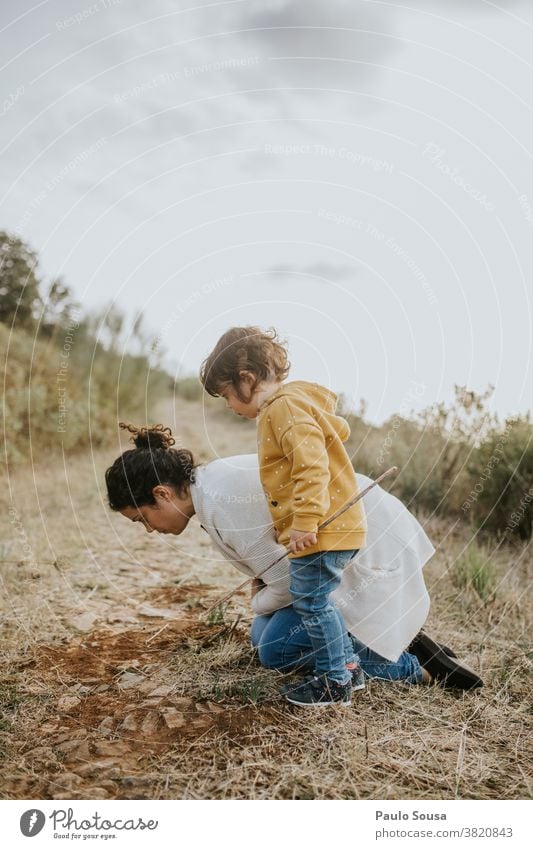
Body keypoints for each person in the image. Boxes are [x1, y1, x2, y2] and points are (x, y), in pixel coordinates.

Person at [105, 424, 483, 695]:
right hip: (341, 556)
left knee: (276, 649)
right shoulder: (210, 489)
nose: (149, 531)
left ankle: (411, 666)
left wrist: (258, 600)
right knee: (261, 634)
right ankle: (377, 639)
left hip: (367, 549)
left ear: (162, 493)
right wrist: (266, 596)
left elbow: (288, 582)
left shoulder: (219, 502)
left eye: (143, 519)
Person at [200, 326, 371, 706]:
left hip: (322, 528)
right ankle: (348, 668)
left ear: (246, 379)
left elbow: (311, 467)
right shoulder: (288, 407)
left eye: (227, 394)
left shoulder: (285, 408)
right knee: (317, 601)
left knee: (313, 603)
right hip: (332, 527)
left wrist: (305, 521)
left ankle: (334, 680)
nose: (229, 404)